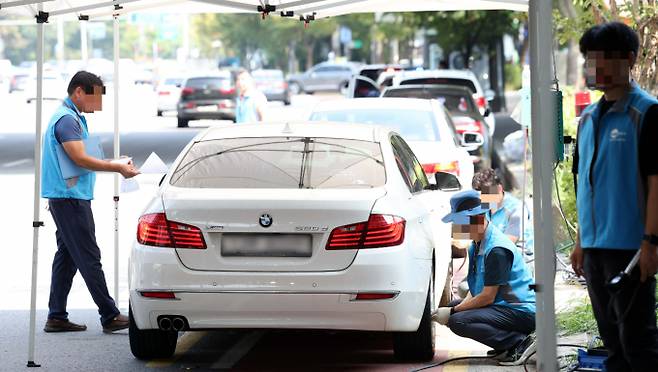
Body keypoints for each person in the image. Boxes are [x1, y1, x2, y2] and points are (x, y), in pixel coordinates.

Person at [570, 22, 658, 371]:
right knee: (611, 340)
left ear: (630, 59)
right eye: (592, 59)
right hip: (593, 248)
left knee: (637, 340)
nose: (598, 67)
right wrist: (580, 240)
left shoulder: (647, 113)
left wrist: (651, 242)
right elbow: (584, 184)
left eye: (607, 58)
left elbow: (656, 183)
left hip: (632, 248)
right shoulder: (587, 118)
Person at [41, 71, 139, 333]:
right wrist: (116, 167)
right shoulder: (67, 120)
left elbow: (83, 156)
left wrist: (115, 162)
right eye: (95, 98)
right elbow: (80, 159)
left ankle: (56, 316)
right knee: (88, 255)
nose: (99, 105)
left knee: (68, 256)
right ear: (79, 92)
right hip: (70, 199)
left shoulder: (71, 117)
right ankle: (109, 315)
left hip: (67, 197)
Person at [434, 190, 536, 366]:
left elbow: (487, 296)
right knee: (454, 307)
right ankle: (505, 343)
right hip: (503, 307)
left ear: (478, 219)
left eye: (459, 223)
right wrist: (454, 308)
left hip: (523, 312)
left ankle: (517, 343)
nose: (456, 229)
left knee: (458, 320)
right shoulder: (477, 244)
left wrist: (453, 312)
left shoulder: (496, 250)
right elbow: (476, 289)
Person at [472, 168, 534, 256]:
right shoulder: (485, 206)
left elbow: (507, 243)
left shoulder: (516, 209)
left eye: (486, 194)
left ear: (499, 188)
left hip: (517, 258)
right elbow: (470, 234)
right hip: (493, 255)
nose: (483, 199)